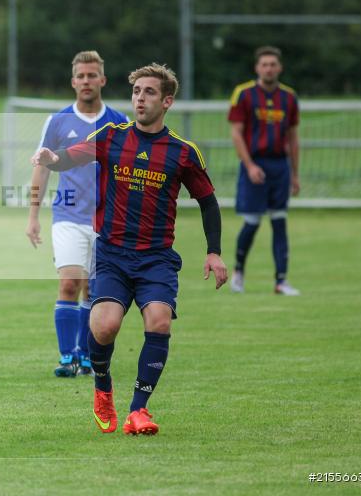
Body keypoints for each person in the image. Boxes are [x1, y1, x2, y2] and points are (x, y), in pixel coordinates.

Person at [33, 63, 228, 436]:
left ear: (167, 101)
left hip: (156, 258)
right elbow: (72, 155)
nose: (140, 98)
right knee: (105, 326)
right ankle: (102, 386)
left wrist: (214, 251)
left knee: (159, 320)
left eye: (149, 92)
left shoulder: (182, 152)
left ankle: (138, 409)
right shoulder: (112, 136)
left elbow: (208, 201)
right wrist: (52, 158)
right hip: (114, 255)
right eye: (137, 91)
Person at [26, 51, 128, 378]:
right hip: (68, 215)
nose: (86, 81)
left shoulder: (119, 121)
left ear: (102, 80)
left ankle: (86, 355)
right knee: (70, 282)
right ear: (73, 82)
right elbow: (42, 166)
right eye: (81, 76)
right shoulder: (57, 121)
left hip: (107, 219)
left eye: (92, 75)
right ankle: (66, 357)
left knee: (94, 290)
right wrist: (33, 214)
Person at [228, 46, 301, 296]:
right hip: (254, 164)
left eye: (273, 64)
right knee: (252, 222)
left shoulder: (289, 97)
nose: (269, 68)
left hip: (279, 167)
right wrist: (249, 165)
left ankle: (281, 280)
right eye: (264, 64)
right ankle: (238, 272)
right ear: (257, 68)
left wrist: (295, 173)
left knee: (280, 221)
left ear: (279, 67)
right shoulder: (244, 94)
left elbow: (293, 137)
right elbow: (236, 133)